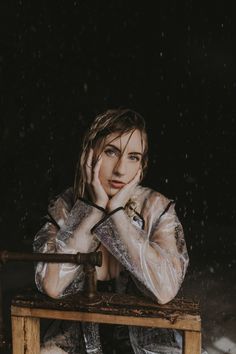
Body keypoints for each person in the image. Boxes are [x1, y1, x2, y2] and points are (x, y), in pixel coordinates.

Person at [33, 108, 189, 354]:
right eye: (111, 152)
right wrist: (92, 209)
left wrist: (117, 214)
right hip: (74, 344)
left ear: (142, 165)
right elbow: (52, 285)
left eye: (133, 157)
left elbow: (165, 290)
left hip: (146, 346)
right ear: (89, 155)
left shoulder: (156, 207)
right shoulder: (65, 206)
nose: (120, 170)